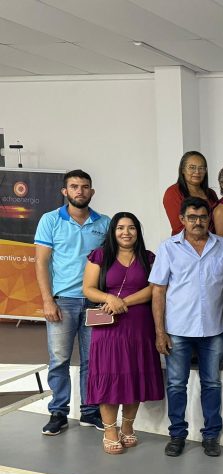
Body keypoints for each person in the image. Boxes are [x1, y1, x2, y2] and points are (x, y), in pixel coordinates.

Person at [151, 197, 223, 458]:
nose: (198, 222)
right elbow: (158, 291)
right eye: (192, 217)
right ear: (182, 219)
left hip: (214, 329)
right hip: (177, 329)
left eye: (203, 217)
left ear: (208, 219)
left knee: (212, 383)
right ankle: (177, 434)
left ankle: (211, 435)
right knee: (177, 384)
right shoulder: (168, 248)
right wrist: (160, 330)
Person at [35, 169, 110, 434]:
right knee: (59, 360)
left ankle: (90, 412)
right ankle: (58, 412)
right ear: (64, 191)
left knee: (93, 361)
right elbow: (42, 262)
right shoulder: (50, 220)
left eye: (85, 186)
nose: (80, 191)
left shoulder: (105, 223)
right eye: (74, 186)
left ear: (92, 191)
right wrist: (47, 300)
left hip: (95, 303)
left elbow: (110, 264)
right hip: (62, 301)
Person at [81, 212, 162, 453]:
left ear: (138, 231)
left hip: (139, 325)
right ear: (113, 232)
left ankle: (128, 427)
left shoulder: (148, 258)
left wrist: (122, 301)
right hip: (108, 327)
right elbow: (88, 289)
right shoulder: (100, 256)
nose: (126, 232)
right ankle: (109, 430)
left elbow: (153, 290)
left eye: (131, 228)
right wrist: (108, 298)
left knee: (133, 375)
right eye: (120, 228)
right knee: (109, 375)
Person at [164, 151, 219, 235]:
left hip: (212, 242)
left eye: (201, 168)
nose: (197, 172)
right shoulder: (173, 192)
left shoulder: (211, 193)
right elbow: (179, 227)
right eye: (192, 167)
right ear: (183, 170)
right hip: (185, 245)